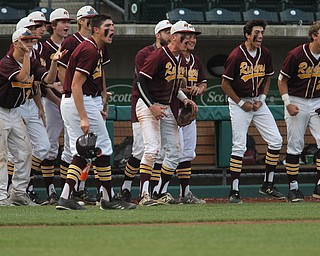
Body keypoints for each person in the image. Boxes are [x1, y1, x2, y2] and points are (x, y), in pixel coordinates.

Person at [56, 14, 136, 210]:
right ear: (96, 30)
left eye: (113, 25)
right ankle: (107, 199)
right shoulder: (90, 49)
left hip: (80, 102)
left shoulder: (95, 48)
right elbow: (75, 85)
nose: (112, 29)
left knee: (83, 151)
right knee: (104, 146)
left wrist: (101, 102)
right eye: (108, 26)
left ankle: (67, 197)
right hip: (80, 101)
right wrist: (84, 116)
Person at [0, 27, 66, 206]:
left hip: (14, 110)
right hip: (0, 110)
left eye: (31, 41)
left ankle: (18, 193)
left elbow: (49, 80)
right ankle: (1, 197)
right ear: (15, 43)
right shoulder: (7, 62)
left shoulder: (33, 60)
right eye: (25, 40)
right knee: (2, 154)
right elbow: (22, 77)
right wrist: (28, 55)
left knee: (25, 152)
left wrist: (54, 63)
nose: (30, 43)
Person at [221, 19, 285, 203]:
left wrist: (262, 99)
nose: (260, 36)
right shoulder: (236, 55)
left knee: (276, 140)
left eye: (262, 32)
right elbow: (224, 84)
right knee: (239, 146)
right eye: (257, 32)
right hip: (239, 102)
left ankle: (268, 184)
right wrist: (241, 103)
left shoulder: (265, 53)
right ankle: (234, 191)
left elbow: (267, 79)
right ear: (247, 35)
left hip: (257, 101)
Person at [135, 20, 198, 206]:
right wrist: (151, 106)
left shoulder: (180, 59)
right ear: (173, 37)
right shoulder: (159, 55)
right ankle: (143, 195)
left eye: (189, 36)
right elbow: (140, 81)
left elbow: (173, 86)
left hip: (165, 106)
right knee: (152, 149)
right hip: (148, 105)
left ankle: (159, 191)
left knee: (176, 151)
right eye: (183, 36)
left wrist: (184, 98)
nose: (188, 39)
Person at [118, 19, 172, 202]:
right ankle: (126, 186)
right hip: (142, 102)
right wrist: (150, 105)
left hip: (161, 105)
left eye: (171, 31)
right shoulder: (145, 53)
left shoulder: (172, 55)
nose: (170, 34)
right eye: (166, 31)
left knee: (159, 151)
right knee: (140, 150)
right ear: (158, 34)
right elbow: (143, 82)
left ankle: (151, 191)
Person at [57, 5, 101, 205]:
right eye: (88, 17)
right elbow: (63, 71)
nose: (91, 20)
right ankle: (68, 193)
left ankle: (78, 190)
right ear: (80, 21)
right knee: (76, 148)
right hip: (75, 97)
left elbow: (101, 73)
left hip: (93, 97)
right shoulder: (71, 41)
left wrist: (104, 99)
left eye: (94, 17)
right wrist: (68, 94)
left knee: (88, 147)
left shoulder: (99, 41)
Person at [278, 21, 320, 202]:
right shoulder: (296, 54)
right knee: (295, 145)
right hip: (297, 100)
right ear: (314, 35)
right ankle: (293, 188)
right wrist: (287, 103)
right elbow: (281, 80)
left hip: (317, 101)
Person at [40, 8, 74, 205]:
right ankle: (51, 190)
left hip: (69, 100)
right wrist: (58, 101)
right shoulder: (45, 47)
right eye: (62, 22)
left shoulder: (72, 44)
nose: (66, 25)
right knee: (50, 146)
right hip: (52, 101)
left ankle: (70, 191)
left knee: (72, 147)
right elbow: (45, 82)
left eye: (68, 22)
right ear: (52, 25)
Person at [175, 23, 207, 204]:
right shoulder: (171, 57)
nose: (192, 40)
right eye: (188, 36)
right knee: (170, 152)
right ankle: (156, 192)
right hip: (172, 109)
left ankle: (185, 193)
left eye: (194, 37)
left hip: (188, 110)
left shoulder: (195, 60)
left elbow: (203, 82)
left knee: (187, 153)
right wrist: (186, 88)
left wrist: (199, 89)